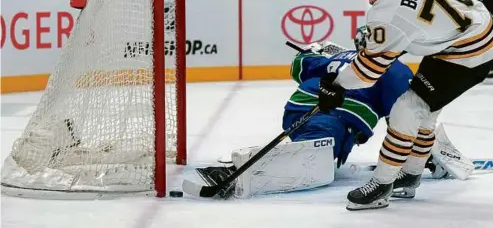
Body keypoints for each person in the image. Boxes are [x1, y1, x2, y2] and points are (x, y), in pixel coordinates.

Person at [316, 0, 493, 210]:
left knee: (407, 108)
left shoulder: (385, 14)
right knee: (425, 111)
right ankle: (412, 173)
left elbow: (367, 73)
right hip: (473, 34)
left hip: (468, 53)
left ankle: (382, 185)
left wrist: (336, 85)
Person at [194, 41, 473, 198]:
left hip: (298, 108)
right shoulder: (394, 68)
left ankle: (255, 164)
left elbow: (298, 67)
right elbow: (404, 119)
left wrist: (315, 51)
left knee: (319, 152)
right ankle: (237, 173)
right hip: (334, 118)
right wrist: (421, 154)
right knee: (319, 161)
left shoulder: (340, 56)